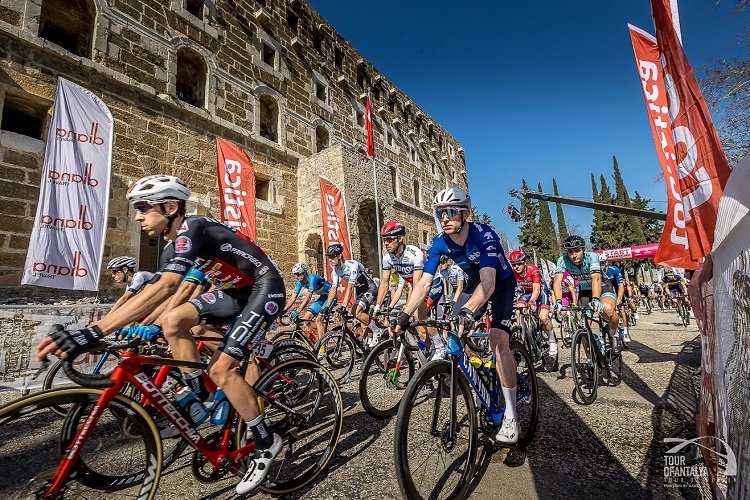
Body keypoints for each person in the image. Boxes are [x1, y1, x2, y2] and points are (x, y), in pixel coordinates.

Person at [36, 174, 285, 495]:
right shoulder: (171, 249)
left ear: (170, 207)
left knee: (221, 369)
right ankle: (199, 398)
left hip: (265, 287)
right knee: (173, 321)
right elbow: (160, 295)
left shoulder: (193, 228)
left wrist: (92, 332)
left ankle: (266, 440)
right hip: (235, 293)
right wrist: (137, 325)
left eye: (143, 207)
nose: (137, 216)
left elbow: (170, 287)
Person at [392, 187, 519, 444]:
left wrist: (468, 311)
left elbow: (489, 282)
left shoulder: (483, 234)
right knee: (453, 329)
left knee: (497, 341)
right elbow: (424, 283)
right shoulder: (439, 242)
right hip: (474, 285)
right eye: (440, 213)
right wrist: (404, 315)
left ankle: (511, 415)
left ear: (465, 214)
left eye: (451, 212)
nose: (444, 218)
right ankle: (479, 377)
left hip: (500, 283)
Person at [373, 221, 443, 354]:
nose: (386, 243)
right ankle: (428, 350)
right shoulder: (387, 257)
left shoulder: (414, 254)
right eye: (384, 240)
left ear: (400, 239)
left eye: (389, 239)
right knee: (418, 326)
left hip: (432, 283)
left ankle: (440, 347)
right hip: (415, 286)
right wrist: (378, 306)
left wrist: (409, 309)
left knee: (421, 314)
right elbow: (384, 283)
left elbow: (418, 284)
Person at [551, 235, 622, 354]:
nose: (574, 255)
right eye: (570, 252)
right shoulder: (562, 260)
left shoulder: (591, 257)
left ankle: (614, 334)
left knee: (608, 310)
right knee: (583, 327)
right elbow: (557, 282)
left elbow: (596, 278)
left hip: (602, 287)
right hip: (584, 291)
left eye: (577, 251)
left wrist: (596, 299)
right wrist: (558, 301)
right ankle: (591, 358)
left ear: (583, 249)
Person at [322, 243, 382, 347]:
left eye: (332, 257)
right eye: (328, 258)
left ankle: (378, 330)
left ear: (339, 256)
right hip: (360, 291)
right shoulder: (336, 270)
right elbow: (333, 289)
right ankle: (372, 337)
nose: (329, 260)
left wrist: (343, 306)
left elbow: (350, 288)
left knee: (356, 312)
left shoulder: (352, 265)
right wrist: (326, 307)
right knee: (360, 318)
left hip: (369, 288)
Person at [508, 249, 557, 359]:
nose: (516, 267)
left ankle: (552, 340)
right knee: (517, 308)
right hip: (527, 293)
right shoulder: (513, 273)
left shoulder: (533, 269)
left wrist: (532, 301)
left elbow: (536, 289)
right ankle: (523, 333)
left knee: (543, 317)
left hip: (541, 291)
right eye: (514, 265)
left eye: (519, 264)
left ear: (524, 262)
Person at [282, 263, 334, 342]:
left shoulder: (312, 278)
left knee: (318, 320)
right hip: (323, 297)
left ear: (304, 273)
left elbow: (308, 297)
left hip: (331, 297)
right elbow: (293, 297)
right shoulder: (300, 282)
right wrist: (284, 310)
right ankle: (322, 338)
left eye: (298, 274)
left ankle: (322, 346)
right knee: (306, 320)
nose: (296, 277)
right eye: (295, 275)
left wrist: (298, 311)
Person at [599, 254, 630, 345]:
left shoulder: (614, 270)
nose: (601, 266)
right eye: (599, 263)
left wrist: (619, 299)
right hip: (605, 291)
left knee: (621, 310)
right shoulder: (596, 272)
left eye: (602, 263)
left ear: (606, 263)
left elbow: (620, 285)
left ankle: (625, 332)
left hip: (616, 289)